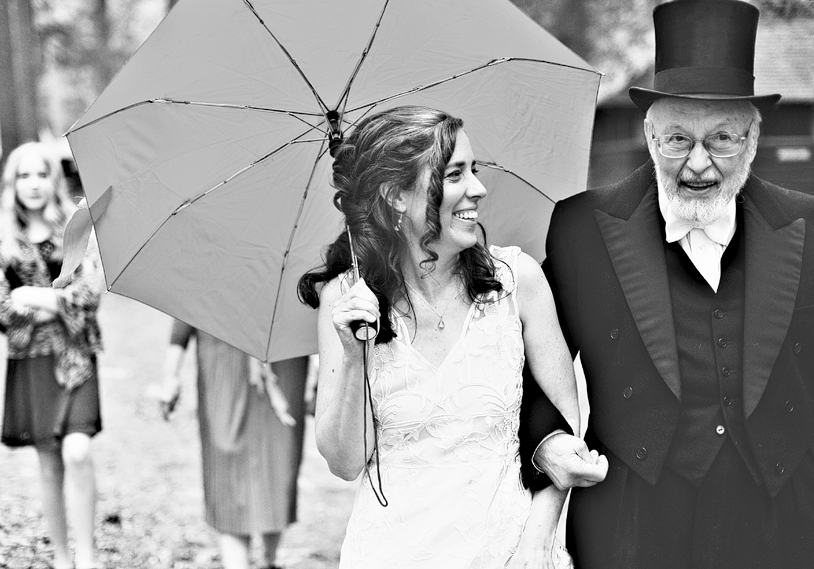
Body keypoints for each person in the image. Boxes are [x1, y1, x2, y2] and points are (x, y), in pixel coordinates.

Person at [524, 0, 814, 569]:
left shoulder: (808, 225)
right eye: (679, 139)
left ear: (752, 139)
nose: (699, 165)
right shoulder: (582, 227)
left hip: (783, 524)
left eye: (723, 140)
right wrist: (547, 442)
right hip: (632, 526)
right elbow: (530, 365)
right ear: (650, 136)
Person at [297, 105, 596, 568]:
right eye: (454, 174)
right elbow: (344, 462)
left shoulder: (519, 282)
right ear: (396, 196)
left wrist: (537, 543)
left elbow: (565, 427)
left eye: (473, 170)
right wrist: (354, 357)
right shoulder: (345, 300)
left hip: (512, 551)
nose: (477, 188)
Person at [0, 141, 104, 569]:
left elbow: (90, 294)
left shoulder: (73, 230)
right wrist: (58, 300)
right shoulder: (0, 240)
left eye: (40, 174)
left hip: (77, 357)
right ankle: (61, 556)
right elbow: (0, 312)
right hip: (30, 362)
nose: (32, 184)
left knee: (77, 452)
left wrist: (32, 296)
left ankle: (88, 556)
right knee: (49, 463)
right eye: (23, 175)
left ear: (52, 180)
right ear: (11, 184)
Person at [157, 319, 309, 569]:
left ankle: (269, 559)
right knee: (226, 459)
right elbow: (186, 305)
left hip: (282, 353)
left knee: (279, 461)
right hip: (222, 353)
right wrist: (170, 374)